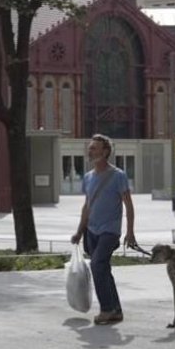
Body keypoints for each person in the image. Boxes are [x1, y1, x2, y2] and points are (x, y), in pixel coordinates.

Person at [70, 134, 136, 325]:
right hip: (92, 231)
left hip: (110, 230)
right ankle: (116, 310)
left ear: (105, 151)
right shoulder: (89, 177)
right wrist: (80, 231)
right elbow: (87, 206)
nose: (90, 151)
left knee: (97, 265)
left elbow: (129, 205)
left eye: (94, 148)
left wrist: (130, 232)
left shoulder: (118, 176)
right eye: (90, 148)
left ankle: (106, 309)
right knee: (103, 269)